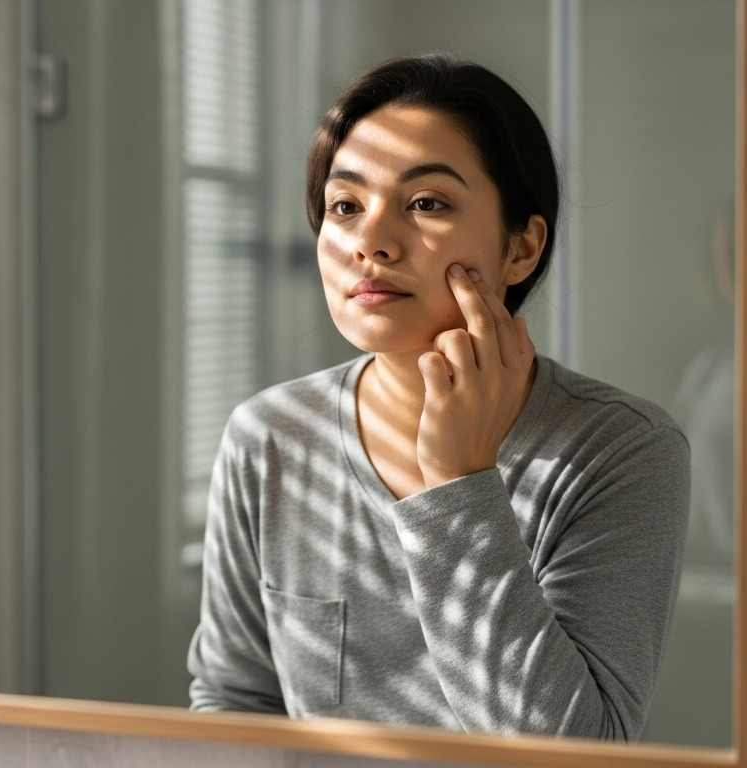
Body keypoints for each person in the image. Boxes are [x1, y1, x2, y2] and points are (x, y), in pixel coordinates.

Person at [187, 55, 690, 741]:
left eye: (426, 203)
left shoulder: (622, 451)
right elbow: (234, 706)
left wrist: (459, 481)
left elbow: (577, 751)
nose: (370, 242)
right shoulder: (270, 436)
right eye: (345, 206)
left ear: (521, 248)